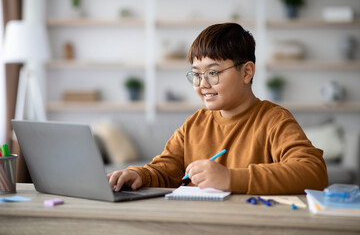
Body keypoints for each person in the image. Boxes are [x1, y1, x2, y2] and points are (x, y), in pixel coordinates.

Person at [108, 23, 328, 194]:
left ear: (246, 72)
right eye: (196, 74)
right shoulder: (195, 123)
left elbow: (313, 173)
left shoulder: (274, 120)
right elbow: (166, 169)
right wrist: (138, 174)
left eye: (213, 73)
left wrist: (231, 179)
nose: (202, 84)